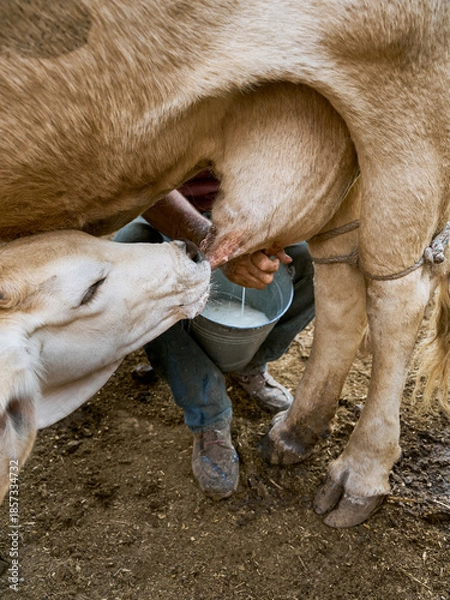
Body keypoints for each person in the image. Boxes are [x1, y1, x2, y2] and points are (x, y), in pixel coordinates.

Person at [114, 170, 315, 499]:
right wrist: (212, 241)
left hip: (250, 207)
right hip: (168, 213)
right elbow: (138, 179)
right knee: (132, 258)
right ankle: (208, 411)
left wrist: (273, 222)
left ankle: (249, 364)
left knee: (310, 258)